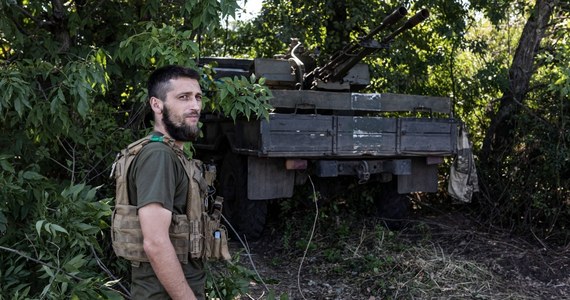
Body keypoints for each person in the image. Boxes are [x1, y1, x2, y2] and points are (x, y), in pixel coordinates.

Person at [127, 65, 205, 299]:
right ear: (156, 104)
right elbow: (155, 242)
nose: (195, 106)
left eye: (198, 97)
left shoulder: (173, 154)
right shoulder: (158, 156)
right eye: (183, 97)